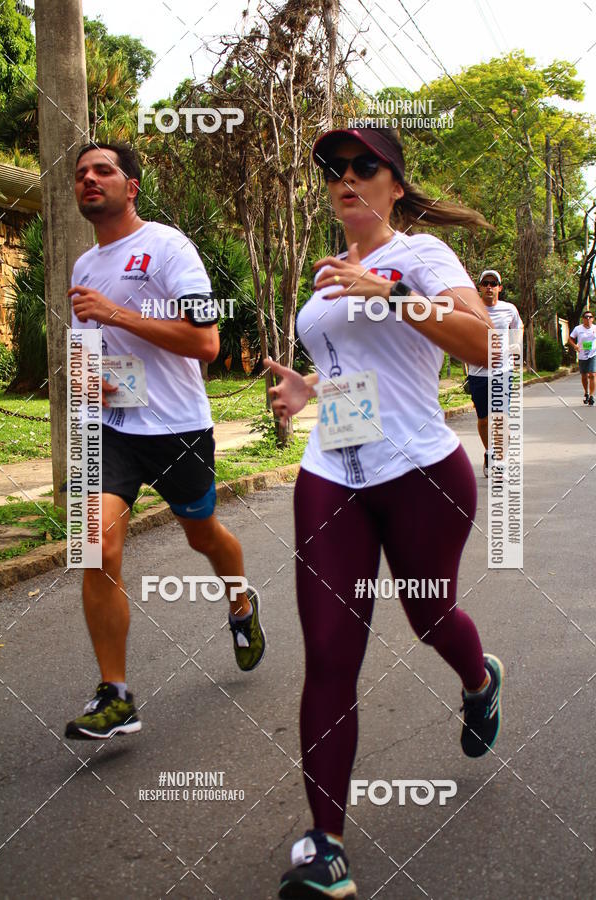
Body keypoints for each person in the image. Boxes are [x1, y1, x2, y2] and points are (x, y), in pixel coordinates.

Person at [266, 126, 504, 899]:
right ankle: (324, 845)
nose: (347, 178)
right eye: (336, 169)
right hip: (332, 472)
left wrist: (395, 293)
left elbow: (485, 349)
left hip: (421, 473)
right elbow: (355, 372)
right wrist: (309, 390)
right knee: (332, 652)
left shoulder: (425, 259)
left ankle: (478, 679)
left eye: (365, 166)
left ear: (395, 185)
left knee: (429, 618)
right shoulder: (327, 277)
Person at [65, 142, 265, 740]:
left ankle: (241, 603)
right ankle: (117, 693)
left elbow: (206, 343)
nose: (89, 180)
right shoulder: (82, 267)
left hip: (178, 428)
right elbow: (83, 347)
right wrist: (84, 380)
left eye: (103, 170)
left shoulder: (170, 247)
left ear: (131, 186)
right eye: (80, 175)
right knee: (94, 545)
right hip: (115, 429)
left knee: (202, 533)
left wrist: (117, 315)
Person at [466, 270, 523, 476]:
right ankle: (489, 452)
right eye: (485, 283)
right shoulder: (472, 308)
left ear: (500, 287)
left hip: (502, 372)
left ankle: (501, 461)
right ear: (480, 287)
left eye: (493, 283)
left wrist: (515, 344)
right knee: (483, 419)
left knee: (500, 417)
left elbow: (518, 326)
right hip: (478, 373)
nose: (489, 287)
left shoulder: (509, 309)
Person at [569, 310, 596, 405]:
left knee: (592, 374)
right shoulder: (578, 329)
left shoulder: (595, 328)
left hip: (593, 354)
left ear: (592, 319)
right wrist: (575, 346)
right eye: (586, 317)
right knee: (584, 376)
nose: (588, 319)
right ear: (583, 319)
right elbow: (570, 338)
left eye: (590, 317)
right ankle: (586, 392)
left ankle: (592, 396)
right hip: (582, 355)